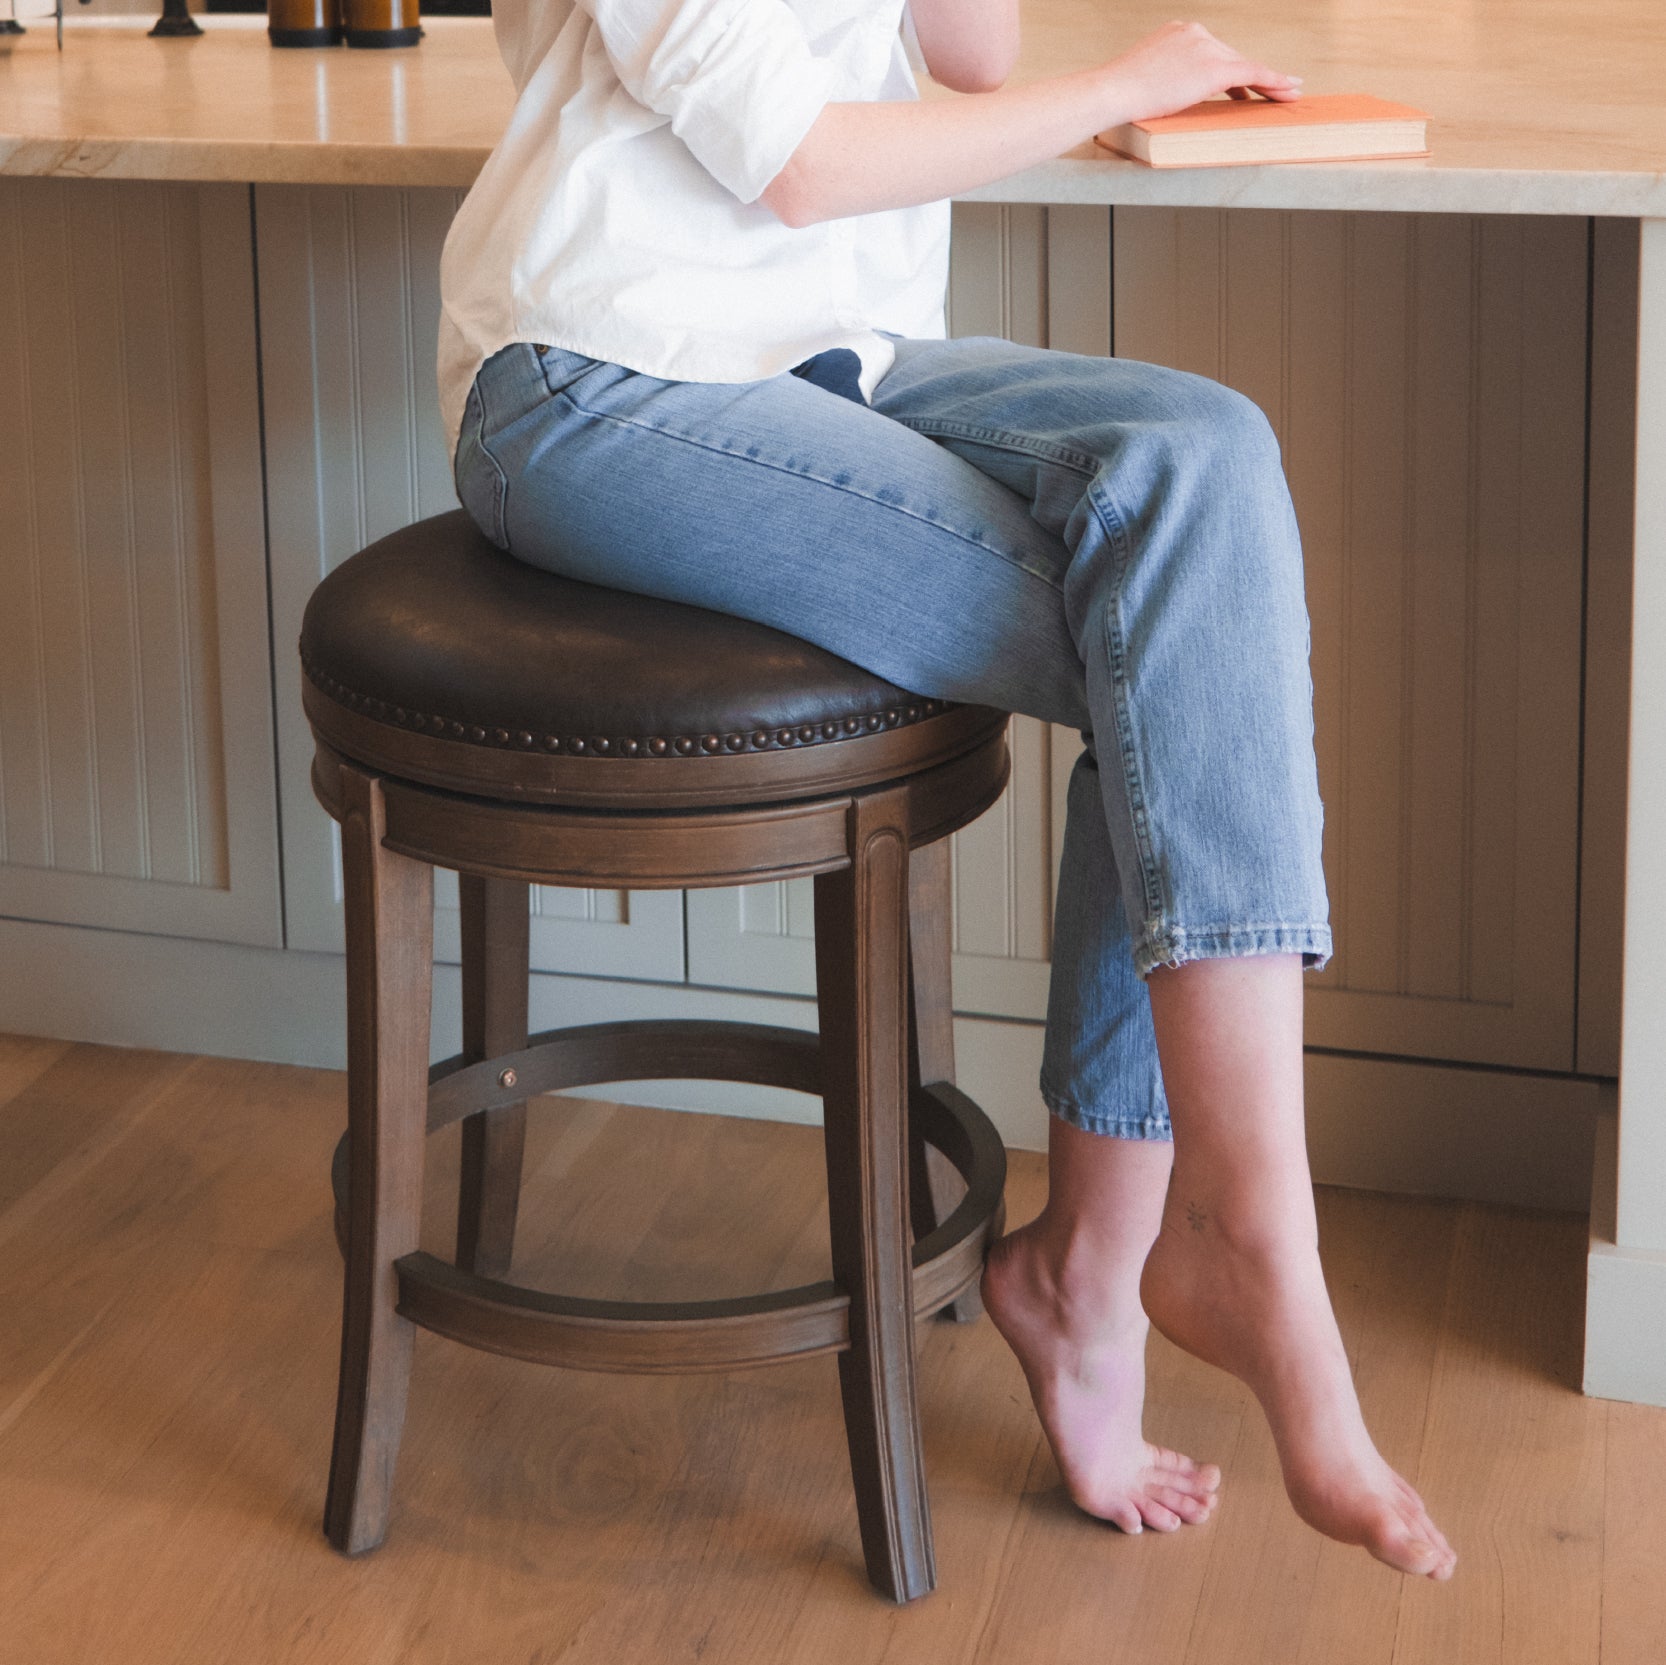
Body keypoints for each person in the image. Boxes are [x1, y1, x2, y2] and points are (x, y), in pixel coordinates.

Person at [438, 0, 1457, 1582]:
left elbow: (969, 49)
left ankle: (1117, 1260)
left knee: (1201, 458)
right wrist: (1129, 81)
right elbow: (802, 160)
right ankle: (1215, 1246)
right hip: (599, 377)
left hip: (835, 359)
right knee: (1175, 651)